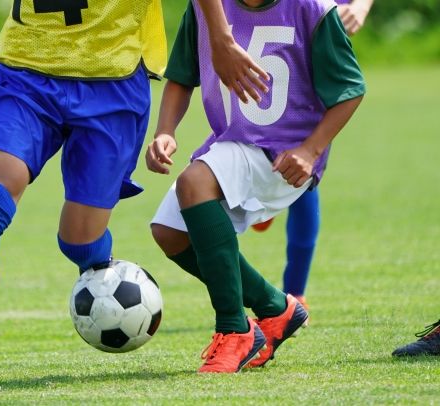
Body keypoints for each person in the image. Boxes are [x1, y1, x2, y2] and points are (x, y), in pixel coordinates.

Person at [0, 0, 270, 382]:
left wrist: (221, 36)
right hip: (25, 70)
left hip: (112, 82)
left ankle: (107, 267)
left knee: (79, 239)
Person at [145, 0, 365, 373]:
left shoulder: (313, 9)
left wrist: (310, 151)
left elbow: (350, 88)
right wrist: (165, 131)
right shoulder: (205, 8)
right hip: (233, 143)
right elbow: (182, 76)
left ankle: (234, 330)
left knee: (194, 181)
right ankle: (277, 309)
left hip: (285, 153)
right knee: (170, 233)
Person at [252, 0, 374, 310]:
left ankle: (295, 293)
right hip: (267, 31)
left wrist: (359, 7)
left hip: (318, 34)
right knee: (261, 140)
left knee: (303, 172)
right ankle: (263, 197)